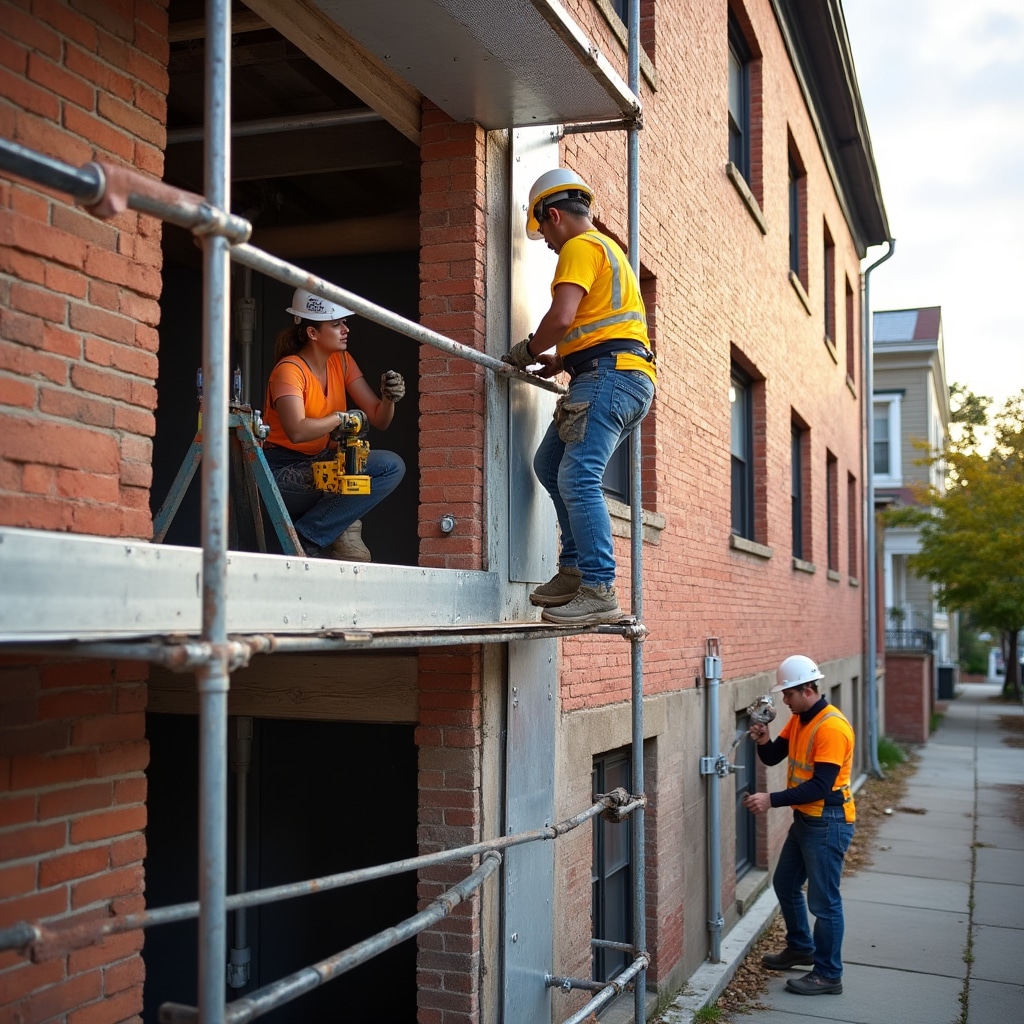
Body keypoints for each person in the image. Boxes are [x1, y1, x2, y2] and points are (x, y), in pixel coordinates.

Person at [501, 169, 657, 625]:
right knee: (549, 466)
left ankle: (598, 587)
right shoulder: (609, 250)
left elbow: (563, 314)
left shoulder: (578, 246)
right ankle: (573, 570)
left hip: (610, 377)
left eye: (544, 232)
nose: (548, 243)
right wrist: (562, 361)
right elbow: (600, 324)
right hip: (614, 374)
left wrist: (528, 350)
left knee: (578, 477)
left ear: (553, 215)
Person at [262, 287, 406, 561]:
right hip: (281, 471)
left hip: (323, 461)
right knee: (342, 474)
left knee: (390, 466)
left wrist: (389, 399)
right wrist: (339, 420)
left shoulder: (341, 361)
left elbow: (379, 418)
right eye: (336, 324)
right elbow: (297, 431)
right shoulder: (289, 370)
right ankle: (333, 531)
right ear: (312, 333)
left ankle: (305, 538)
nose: (345, 329)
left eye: (344, 322)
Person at [742, 654, 857, 996]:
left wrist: (771, 799)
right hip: (807, 819)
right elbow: (774, 755)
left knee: (824, 902)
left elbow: (822, 786)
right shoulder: (801, 718)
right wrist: (763, 737)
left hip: (828, 822)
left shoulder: (831, 728)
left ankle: (828, 974)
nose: (784, 701)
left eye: (788, 694)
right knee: (786, 883)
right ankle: (801, 948)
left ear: (807, 689)